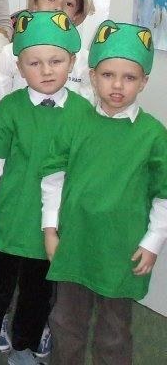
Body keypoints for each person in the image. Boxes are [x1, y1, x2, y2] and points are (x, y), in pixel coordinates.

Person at [42, 20, 167, 364]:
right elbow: (53, 177)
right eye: (109, 75)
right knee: (67, 322)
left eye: (130, 77)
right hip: (76, 242)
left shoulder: (153, 135)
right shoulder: (75, 122)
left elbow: (164, 194)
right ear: (93, 76)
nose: (118, 85)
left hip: (121, 248)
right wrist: (50, 228)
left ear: (144, 82)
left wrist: (153, 241)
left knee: (114, 331)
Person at [0, 10, 88, 365]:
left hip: (52, 229)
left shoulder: (83, 113)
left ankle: (23, 346)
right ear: (20, 67)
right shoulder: (8, 110)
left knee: (38, 295)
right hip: (8, 221)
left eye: (56, 61)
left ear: (72, 62)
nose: (46, 70)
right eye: (34, 63)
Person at [0, 0, 95, 105]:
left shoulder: (84, 60)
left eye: (69, 3)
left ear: (76, 15)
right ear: (35, 4)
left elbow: (87, 108)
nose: (58, 7)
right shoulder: (10, 53)